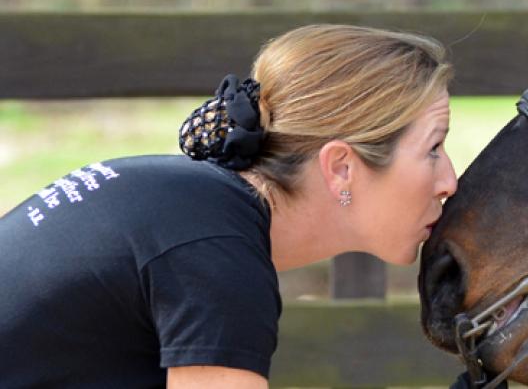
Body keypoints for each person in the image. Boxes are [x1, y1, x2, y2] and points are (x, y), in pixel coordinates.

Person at [0, 24, 458, 388]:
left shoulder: (197, 208)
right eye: (433, 148)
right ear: (340, 166)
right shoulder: (217, 255)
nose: (449, 182)